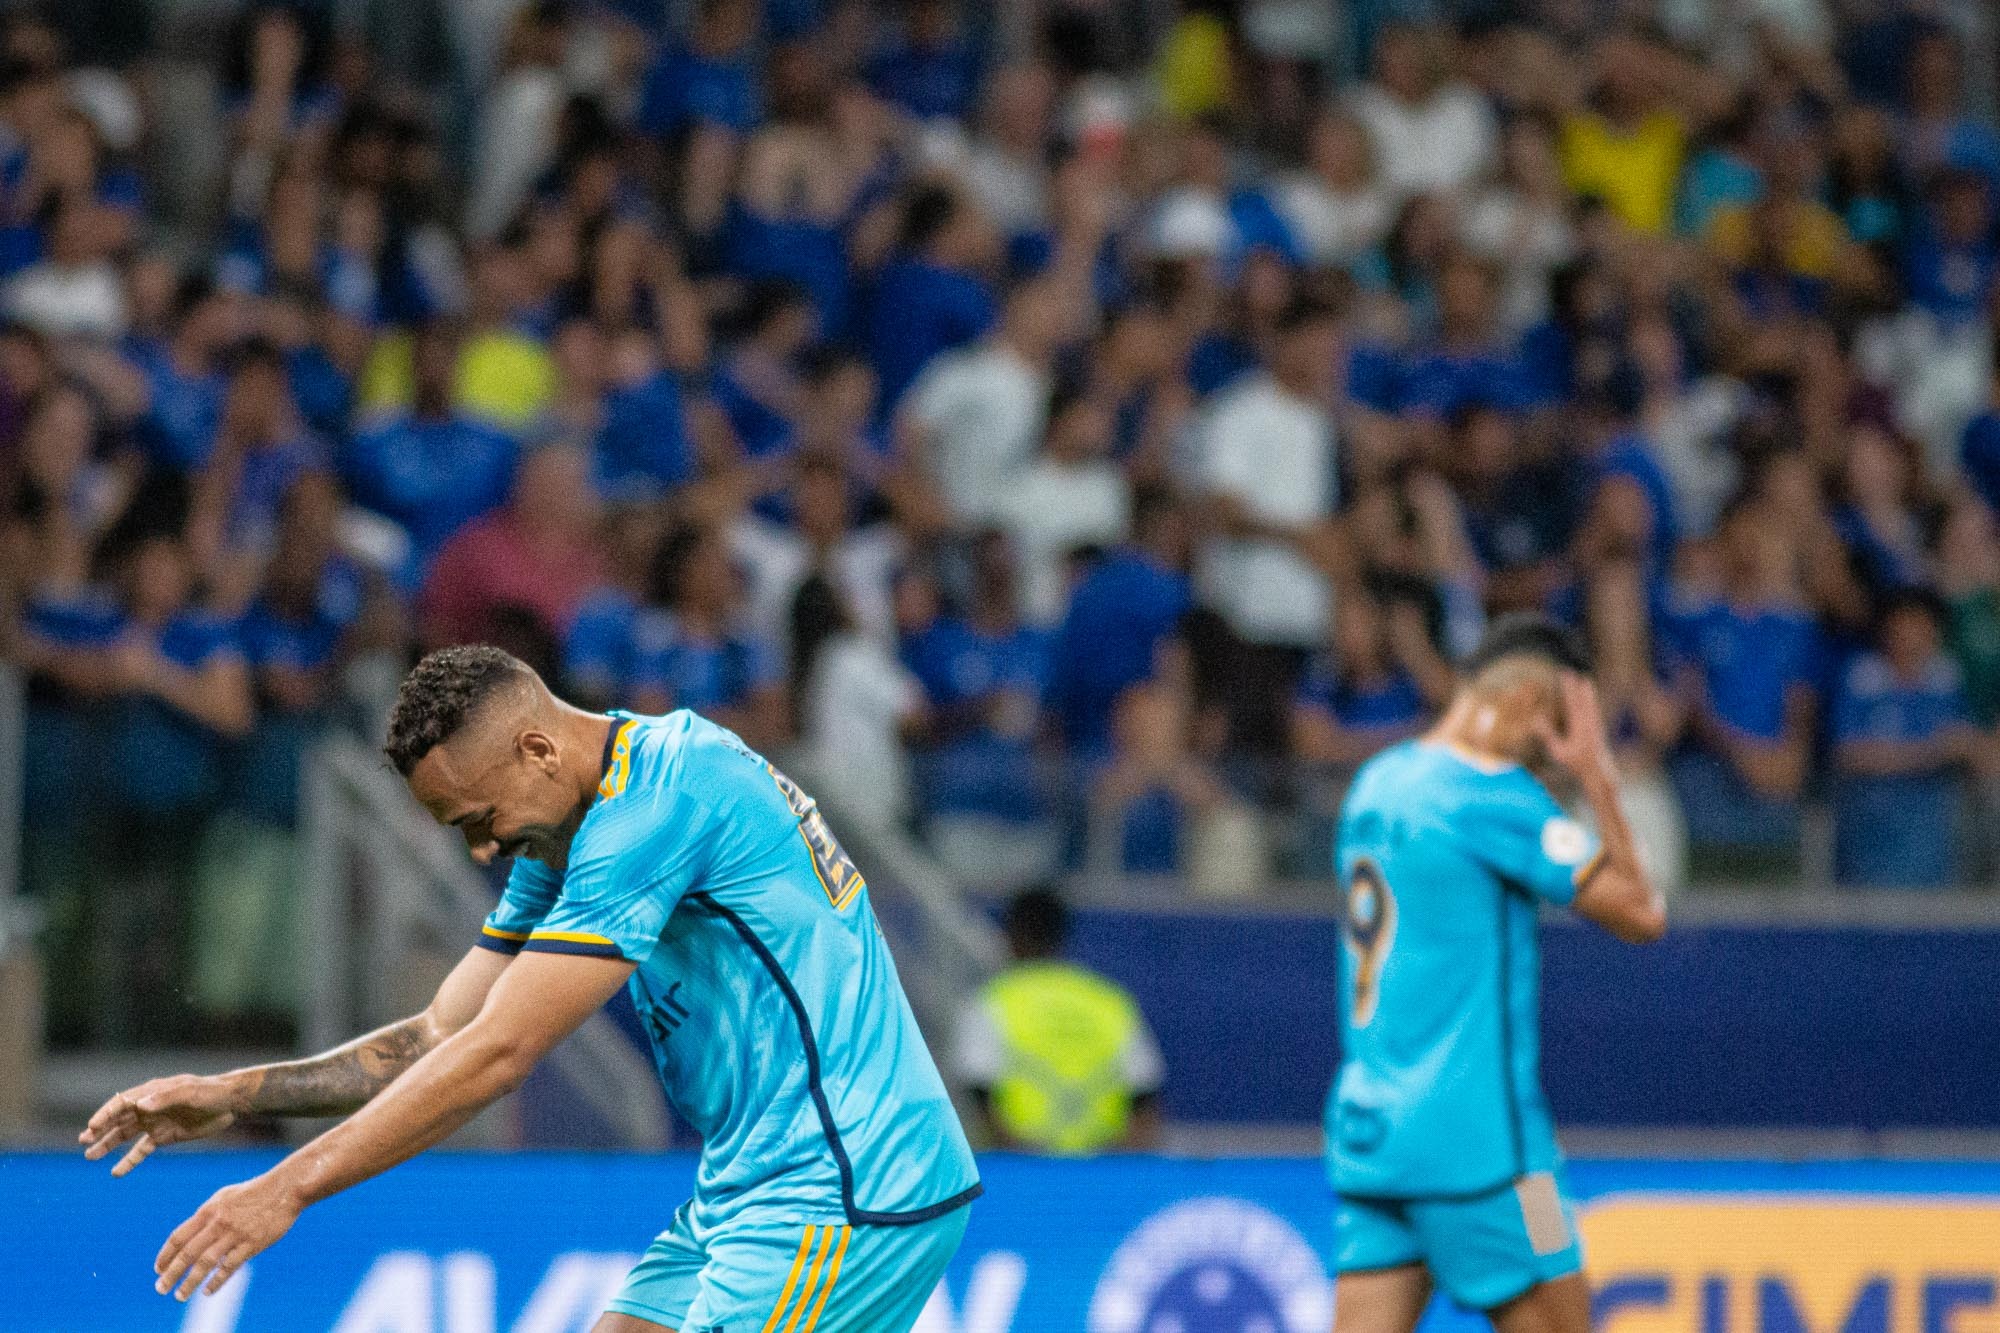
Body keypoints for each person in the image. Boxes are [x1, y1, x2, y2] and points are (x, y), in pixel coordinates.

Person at [80, 645, 981, 1331]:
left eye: (481, 821)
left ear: (539, 748)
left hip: (845, 1183)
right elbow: (442, 1033)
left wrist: (286, 1186)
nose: (483, 851)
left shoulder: (659, 805)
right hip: (753, 1184)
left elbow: (500, 1054)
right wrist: (229, 1095)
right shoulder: (568, 825)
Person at [1329, 614, 1665, 1333]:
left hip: (1374, 1132)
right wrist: (1596, 772)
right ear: (1528, 700)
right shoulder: (1492, 795)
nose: (1548, 747)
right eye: (1556, 720)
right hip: (1489, 1151)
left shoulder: (1375, 783)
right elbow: (1642, 912)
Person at [953, 886, 1164, 1155]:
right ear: (1061, 936)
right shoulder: (1109, 1001)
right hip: (1101, 1171)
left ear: (1010, 934)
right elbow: (1145, 1105)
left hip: (1020, 1171)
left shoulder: (991, 1002)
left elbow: (980, 1099)